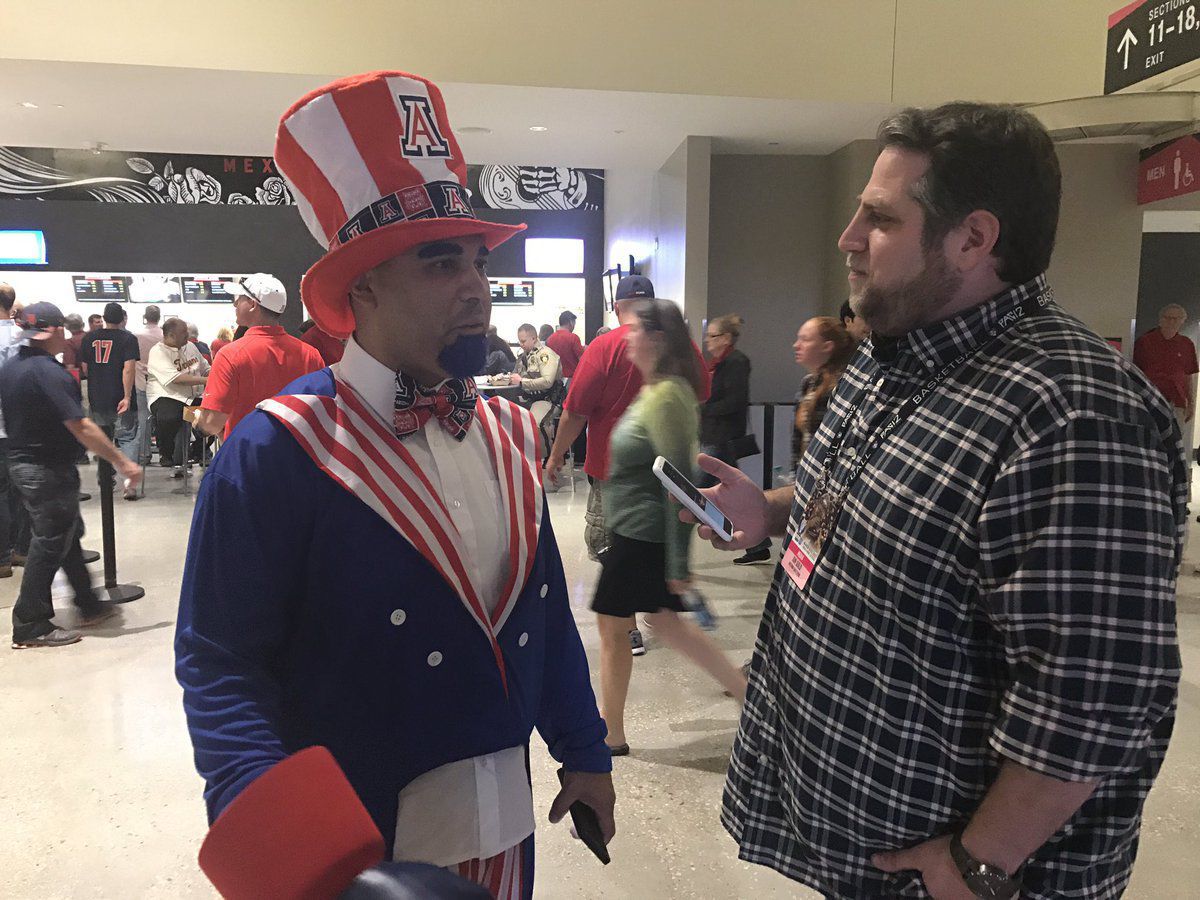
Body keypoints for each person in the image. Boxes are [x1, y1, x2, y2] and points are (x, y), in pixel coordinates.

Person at [695, 102, 1185, 899]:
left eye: (879, 218)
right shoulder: (892, 357)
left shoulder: (1072, 411)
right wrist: (774, 510)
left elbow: (1097, 685)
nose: (849, 237)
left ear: (973, 238)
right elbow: (890, 505)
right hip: (863, 836)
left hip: (956, 873)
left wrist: (979, 861)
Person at [175, 69, 615, 899]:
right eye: (440, 264)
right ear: (363, 286)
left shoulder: (511, 430)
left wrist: (585, 752)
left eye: (477, 260)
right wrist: (288, 854)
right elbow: (221, 663)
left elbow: (544, 614)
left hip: (507, 831)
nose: (476, 286)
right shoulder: (281, 449)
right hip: (357, 854)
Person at [591, 298, 747, 755]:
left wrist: (679, 563)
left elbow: (679, 481)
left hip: (644, 536)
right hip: (634, 532)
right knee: (656, 626)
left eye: (636, 329)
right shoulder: (656, 390)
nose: (628, 337)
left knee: (623, 627)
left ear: (658, 340)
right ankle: (746, 697)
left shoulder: (669, 396)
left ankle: (612, 733)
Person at [1, 302, 142, 648]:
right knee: (51, 541)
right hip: (44, 468)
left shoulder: (13, 366)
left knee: (66, 535)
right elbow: (81, 425)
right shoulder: (47, 373)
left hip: (27, 463)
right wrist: (123, 462)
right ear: (56, 331)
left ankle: (88, 603)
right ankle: (30, 623)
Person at [546, 275, 709, 569]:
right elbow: (703, 393)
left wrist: (556, 455)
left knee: (613, 566)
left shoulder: (603, 346)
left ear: (617, 307)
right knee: (650, 569)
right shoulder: (681, 347)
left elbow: (575, 413)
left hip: (613, 477)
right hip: (665, 481)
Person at [193, 274, 324, 441]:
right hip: (296, 455)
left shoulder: (230, 355)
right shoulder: (310, 355)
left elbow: (212, 423)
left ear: (253, 304)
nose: (235, 304)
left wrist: (198, 423)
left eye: (240, 298)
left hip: (247, 455)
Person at [699, 314, 769, 568]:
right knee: (731, 492)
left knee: (693, 492)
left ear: (726, 338)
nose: (708, 340)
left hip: (722, 437)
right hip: (716, 436)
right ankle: (758, 544)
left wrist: (703, 408)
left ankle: (672, 553)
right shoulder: (720, 363)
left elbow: (736, 401)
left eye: (712, 335)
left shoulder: (736, 362)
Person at [79, 302, 141, 500]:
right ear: (122, 319)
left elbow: (85, 368)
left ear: (104, 318)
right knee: (127, 438)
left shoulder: (89, 338)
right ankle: (130, 485)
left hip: (98, 396)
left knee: (103, 439)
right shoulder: (128, 339)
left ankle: (105, 478)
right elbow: (128, 368)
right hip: (119, 396)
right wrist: (127, 396)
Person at [790, 317, 855, 471]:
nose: (796, 345)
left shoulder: (843, 385)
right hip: (806, 475)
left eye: (805, 340)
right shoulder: (808, 383)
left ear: (827, 346)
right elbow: (798, 439)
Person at [147, 317, 209, 476]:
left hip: (192, 399)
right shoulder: (157, 351)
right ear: (170, 335)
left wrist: (214, 375)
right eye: (183, 332)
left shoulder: (191, 347)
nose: (187, 335)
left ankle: (197, 451)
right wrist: (206, 380)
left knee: (214, 418)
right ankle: (167, 452)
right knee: (172, 416)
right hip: (166, 396)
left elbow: (205, 368)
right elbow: (177, 379)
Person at [1133, 303, 1197, 436]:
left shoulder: (1186, 344)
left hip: (1177, 400)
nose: (1172, 322)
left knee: (1175, 437)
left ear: (1182, 321)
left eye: (1176, 319)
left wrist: (1191, 403)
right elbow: (1135, 372)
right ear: (1161, 319)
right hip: (1151, 399)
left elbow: (1188, 375)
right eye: (1168, 318)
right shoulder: (1145, 341)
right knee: (1152, 436)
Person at [0, 283, 23, 578]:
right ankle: (17, 548)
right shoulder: (22, 337)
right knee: (16, 491)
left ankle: (3, 556)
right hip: (20, 426)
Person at [133, 304, 164, 465]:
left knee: (143, 418)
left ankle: (144, 455)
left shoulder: (136, 335)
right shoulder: (164, 335)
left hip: (141, 381)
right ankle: (166, 453)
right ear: (159, 317)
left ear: (145, 317)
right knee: (163, 419)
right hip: (161, 383)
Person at [512, 323, 562, 405]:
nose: (521, 344)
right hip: (528, 398)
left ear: (533, 339)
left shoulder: (545, 354)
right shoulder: (523, 356)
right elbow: (515, 374)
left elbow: (547, 381)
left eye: (523, 341)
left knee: (534, 418)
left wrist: (522, 382)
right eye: (519, 341)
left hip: (547, 400)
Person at [545, 310, 584, 378]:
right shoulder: (573, 338)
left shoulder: (549, 339)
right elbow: (582, 360)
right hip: (572, 378)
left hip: (555, 379)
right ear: (571, 322)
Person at [62, 313, 86, 381]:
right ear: (83, 325)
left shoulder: (70, 343)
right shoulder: (91, 337)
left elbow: (71, 368)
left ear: (66, 327)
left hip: (82, 380)